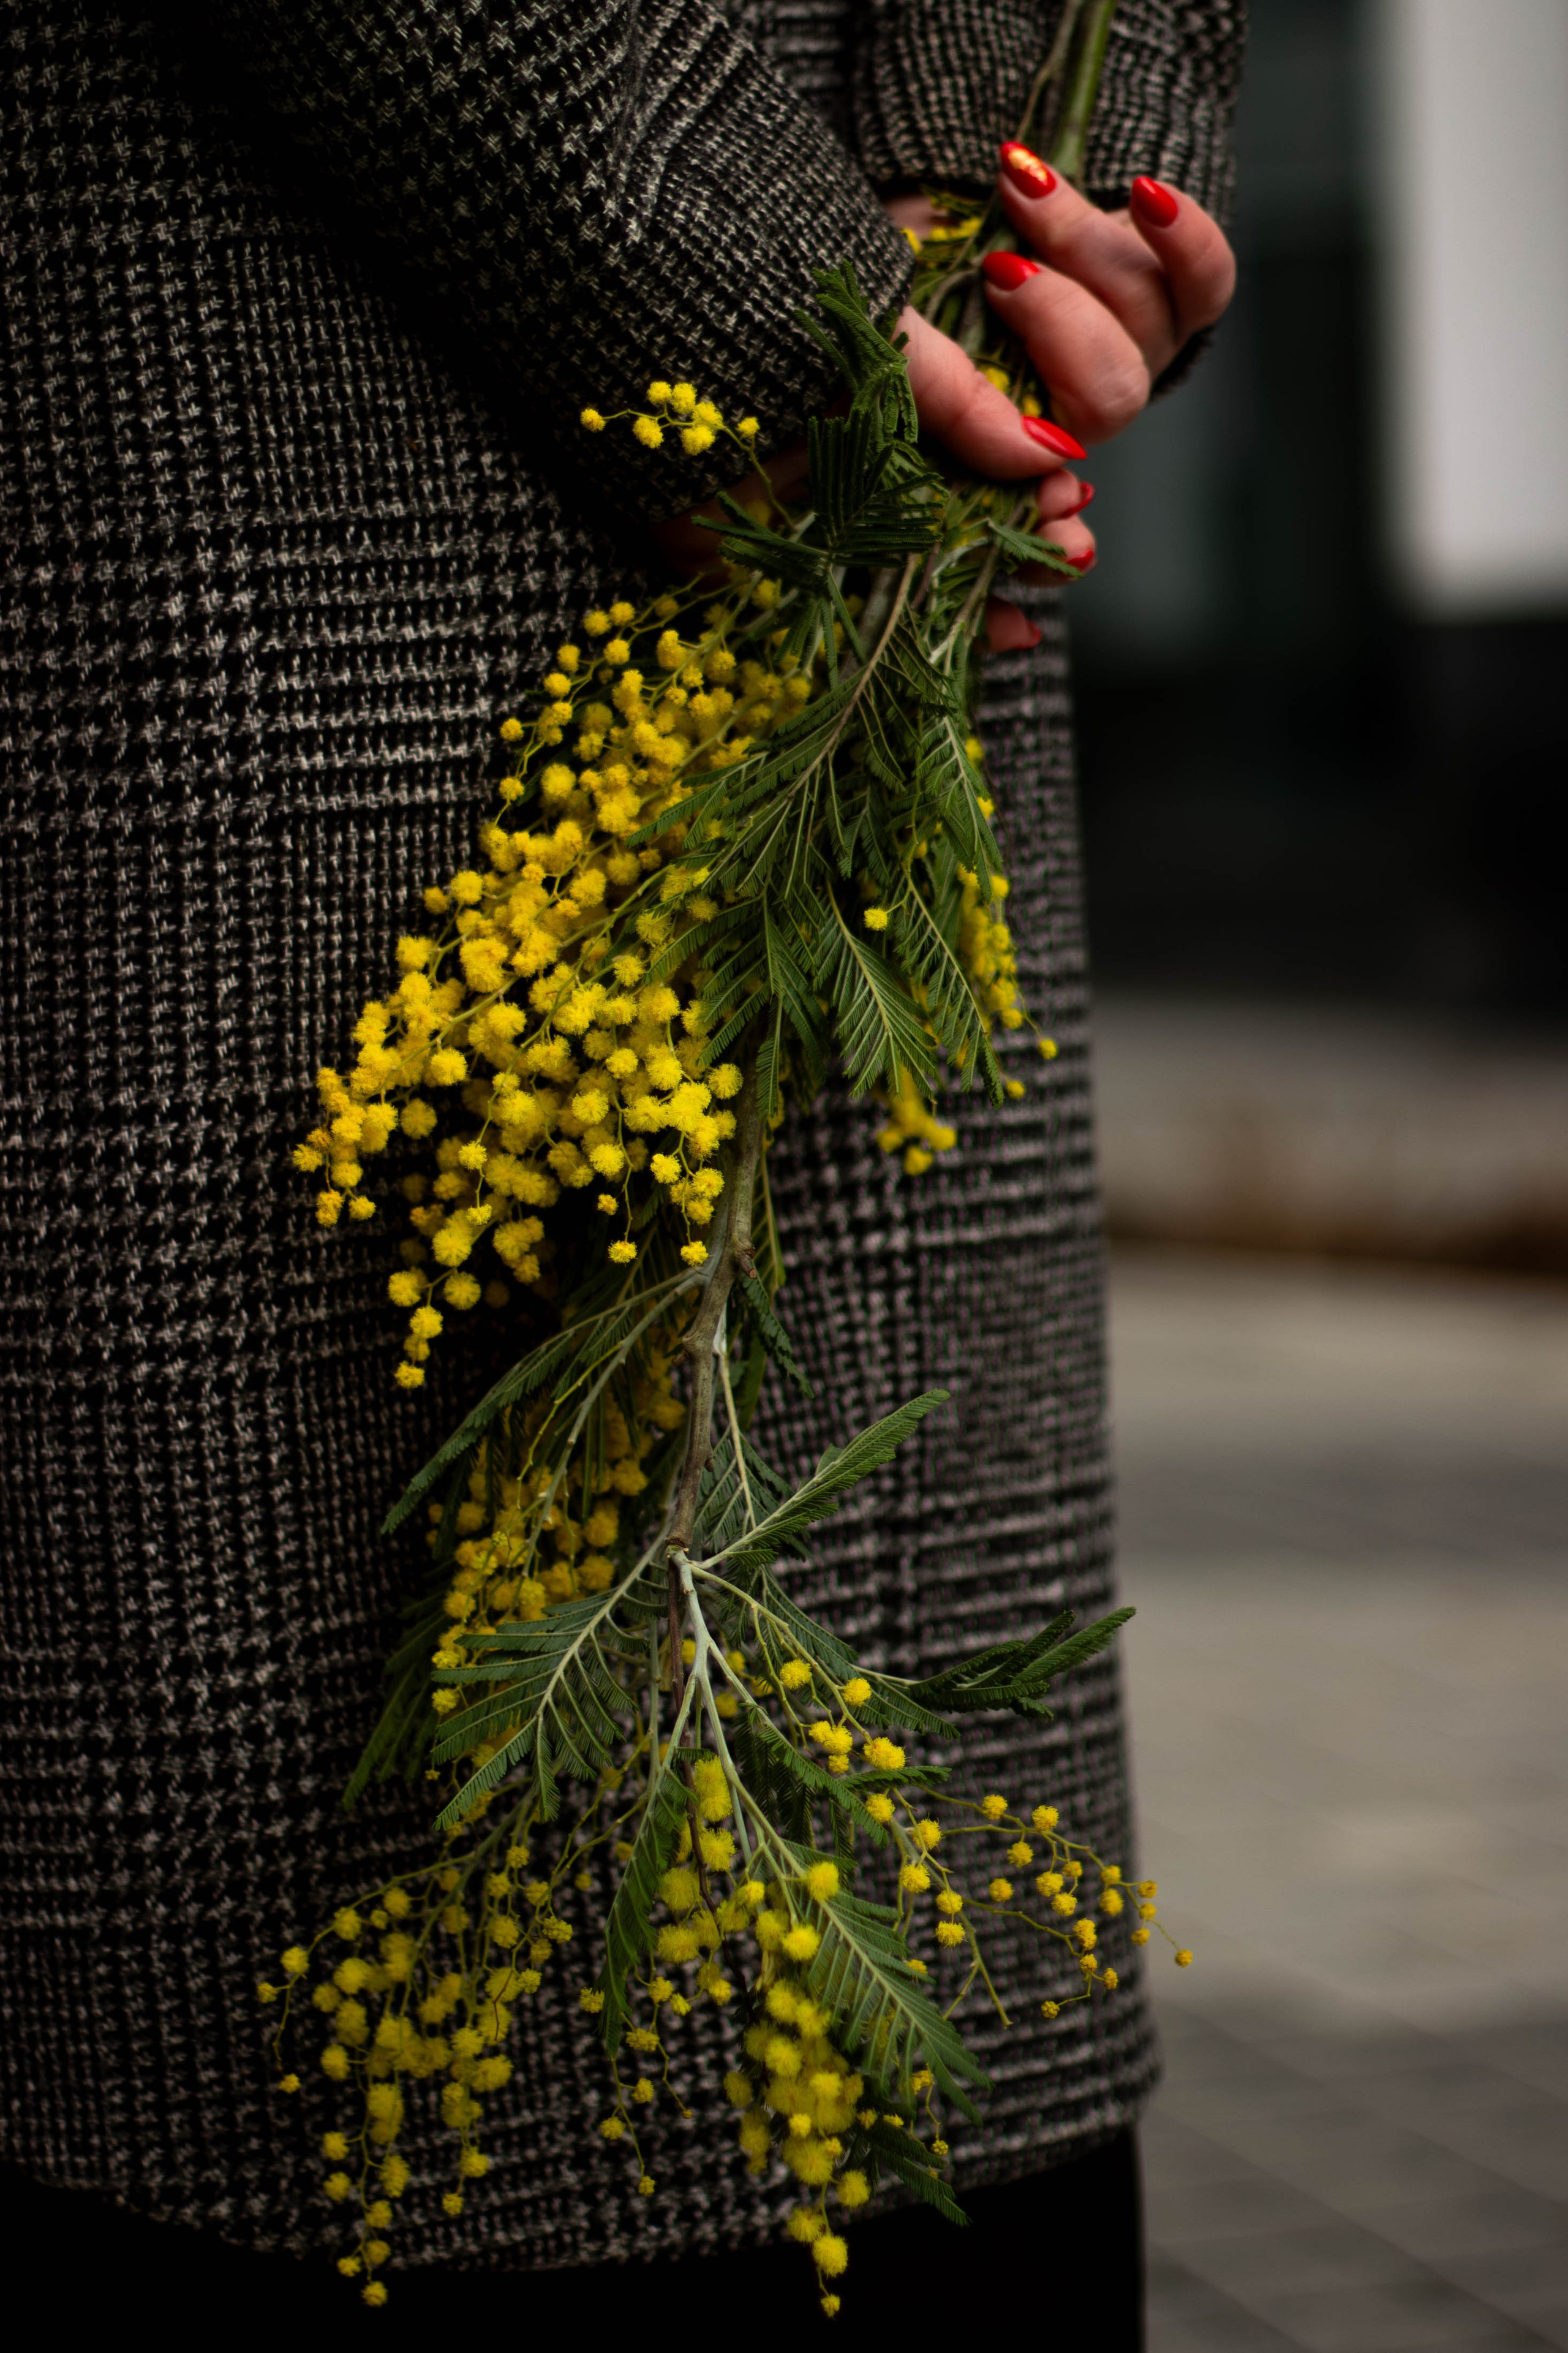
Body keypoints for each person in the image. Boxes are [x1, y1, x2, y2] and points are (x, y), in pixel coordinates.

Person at [0, 0, 1242, 2332]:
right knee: (321, 1976)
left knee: (878, 2027)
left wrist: (1028, 222)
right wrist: (781, 306)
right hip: (292, 489)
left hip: (855, 544)